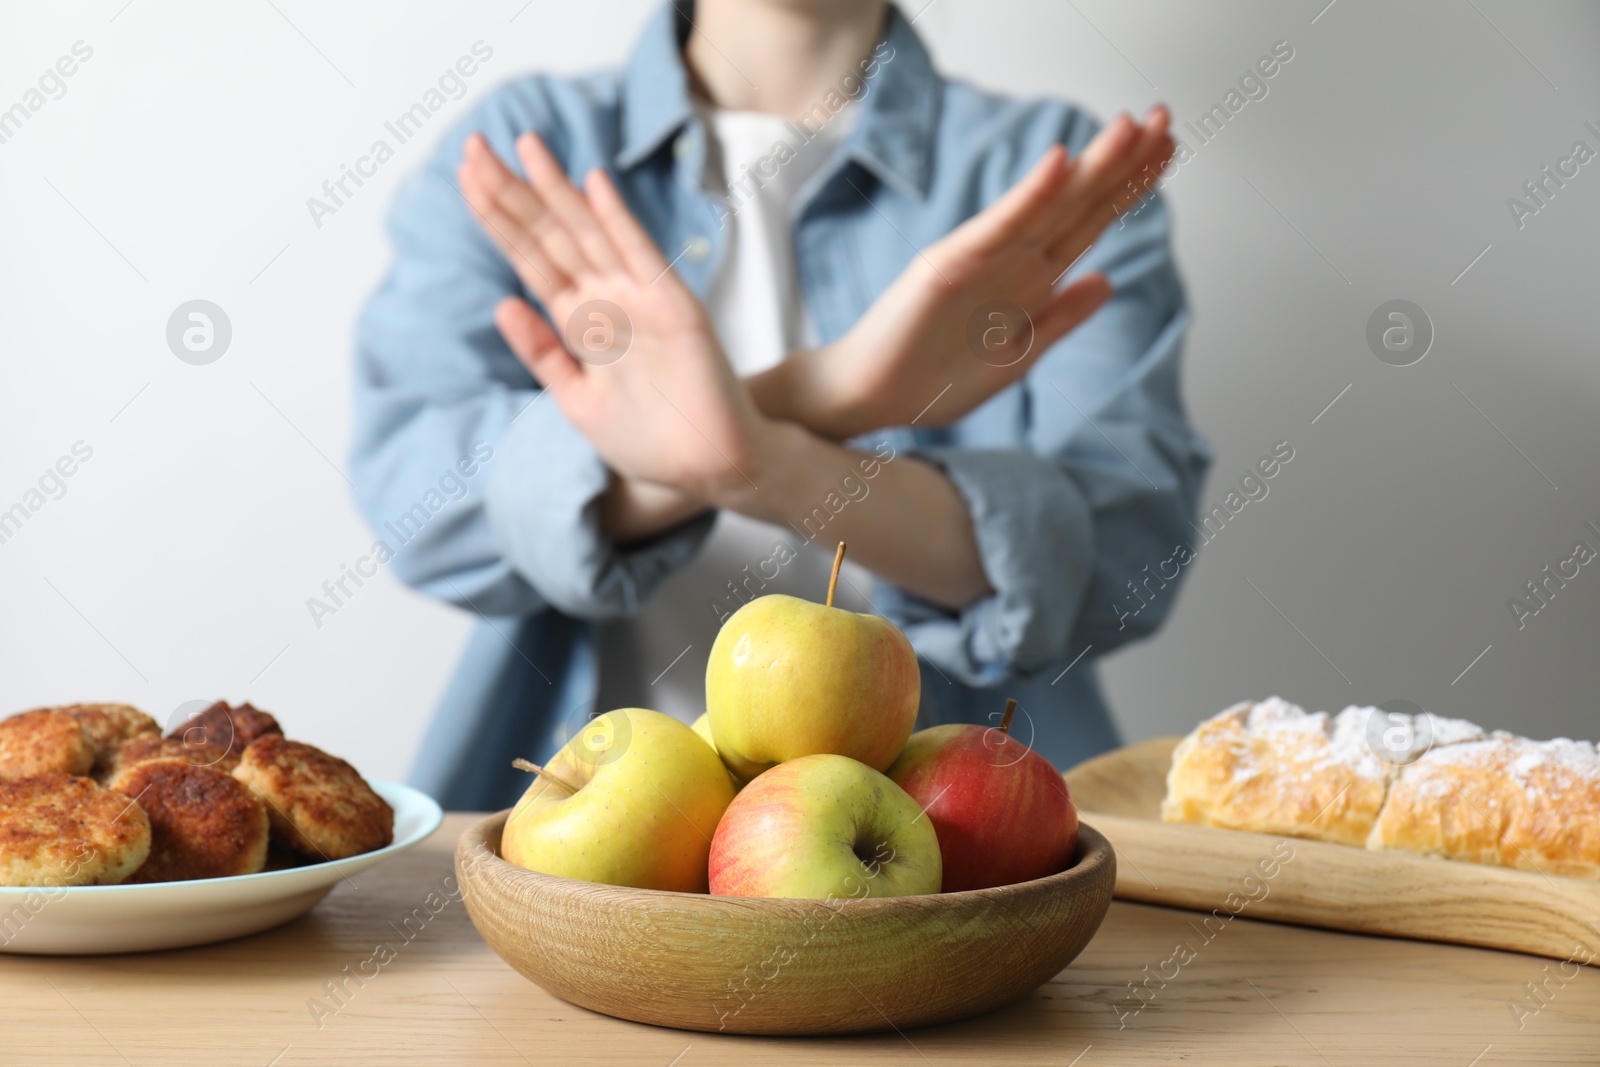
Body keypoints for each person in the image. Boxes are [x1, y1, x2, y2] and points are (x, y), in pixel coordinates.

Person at [350, 0, 1211, 810]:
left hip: (970, 862)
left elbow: (1124, 558)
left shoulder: (1054, 167)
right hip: (580, 851)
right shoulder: (527, 143)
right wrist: (823, 392)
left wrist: (756, 453)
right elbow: (418, 496)